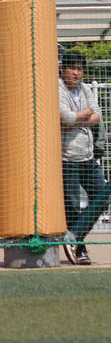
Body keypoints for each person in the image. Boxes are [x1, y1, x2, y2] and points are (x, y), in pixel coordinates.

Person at [60, 53, 104, 265]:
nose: (76, 73)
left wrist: (79, 116)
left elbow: (97, 117)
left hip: (87, 156)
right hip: (66, 158)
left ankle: (75, 235)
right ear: (63, 69)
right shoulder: (57, 89)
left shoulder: (85, 89)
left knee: (102, 197)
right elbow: (64, 118)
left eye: (80, 69)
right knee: (72, 205)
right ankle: (79, 249)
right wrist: (86, 115)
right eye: (72, 68)